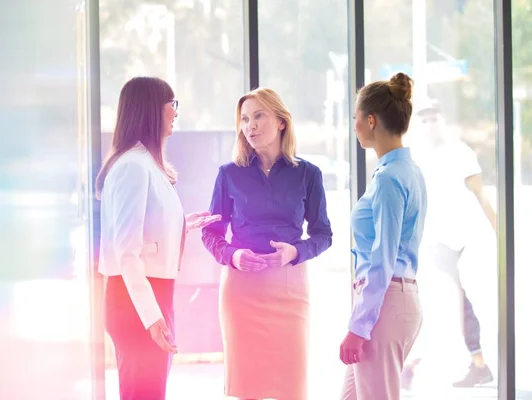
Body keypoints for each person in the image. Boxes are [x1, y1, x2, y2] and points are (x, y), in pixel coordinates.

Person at [201, 87, 333, 400]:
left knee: (291, 387)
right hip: (241, 291)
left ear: (281, 121)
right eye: (245, 119)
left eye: (259, 116)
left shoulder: (308, 174)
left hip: (289, 289)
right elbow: (211, 233)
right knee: (247, 389)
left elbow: (323, 233)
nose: (251, 126)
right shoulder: (229, 174)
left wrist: (296, 251)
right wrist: (233, 256)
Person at [95, 76, 221, 400]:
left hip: (151, 293)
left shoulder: (146, 163)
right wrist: (151, 317)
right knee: (144, 392)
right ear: (152, 109)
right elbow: (126, 251)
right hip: (136, 297)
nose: (176, 113)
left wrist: (182, 224)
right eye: (172, 104)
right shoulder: (133, 167)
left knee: (149, 391)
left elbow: (145, 230)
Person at [339, 72, 427, 399]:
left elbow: (382, 260)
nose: (354, 126)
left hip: (385, 305)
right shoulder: (406, 171)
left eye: (355, 118)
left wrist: (358, 327)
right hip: (393, 302)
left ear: (371, 120)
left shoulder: (390, 179)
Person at [401, 99, 495, 389]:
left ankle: (414, 366)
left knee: (457, 303)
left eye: (434, 118)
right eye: (424, 119)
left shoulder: (459, 151)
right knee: (439, 302)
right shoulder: (413, 155)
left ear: (443, 120)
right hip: (432, 241)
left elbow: (480, 194)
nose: (430, 124)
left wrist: (499, 232)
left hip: (465, 239)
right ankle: (416, 366)